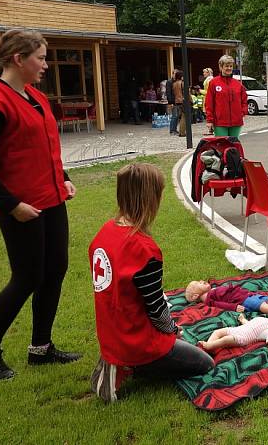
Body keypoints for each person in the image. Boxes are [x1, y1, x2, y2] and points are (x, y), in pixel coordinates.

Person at [0, 29, 80, 380]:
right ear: (19, 59)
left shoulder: (35, 96)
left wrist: (63, 175)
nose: (46, 65)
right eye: (40, 57)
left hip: (52, 199)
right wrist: (10, 205)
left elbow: (45, 143)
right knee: (26, 278)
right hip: (21, 207)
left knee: (55, 270)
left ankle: (41, 347)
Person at [89, 163, 214, 402]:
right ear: (150, 198)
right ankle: (134, 365)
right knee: (204, 363)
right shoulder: (144, 249)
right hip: (136, 341)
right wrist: (174, 331)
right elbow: (157, 312)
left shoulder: (104, 233)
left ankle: (120, 360)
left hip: (110, 334)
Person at [184, 280, 268, 315]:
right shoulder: (208, 298)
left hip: (247, 295)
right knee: (262, 305)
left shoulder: (212, 291)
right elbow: (220, 304)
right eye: (198, 283)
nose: (202, 281)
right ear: (195, 296)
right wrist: (234, 307)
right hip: (242, 300)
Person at [198, 313, 268, 354]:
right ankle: (211, 347)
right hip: (237, 329)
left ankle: (209, 346)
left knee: (226, 339)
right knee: (217, 332)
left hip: (242, 337)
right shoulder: (265, 319)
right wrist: (243, 319)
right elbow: (250, 324)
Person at [205, 55, 247, 137]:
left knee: (234, 147)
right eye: (226, 66)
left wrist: (242, 112)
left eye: (231, 66)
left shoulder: (237, 84)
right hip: (220, 122)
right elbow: (209, 103)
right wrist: (209, 120)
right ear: (221, 67)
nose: (229, 68)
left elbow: (244, 99)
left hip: (236, 122)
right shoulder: (214, 83)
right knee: (221, 146)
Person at [168, 70, 184, 136]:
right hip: (178, 101)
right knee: (177, 116)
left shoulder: (174, 83)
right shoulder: (171, 82)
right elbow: (169, 93)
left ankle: (173, 130)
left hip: (176, 101)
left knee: (176, 116)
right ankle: (173, 130)